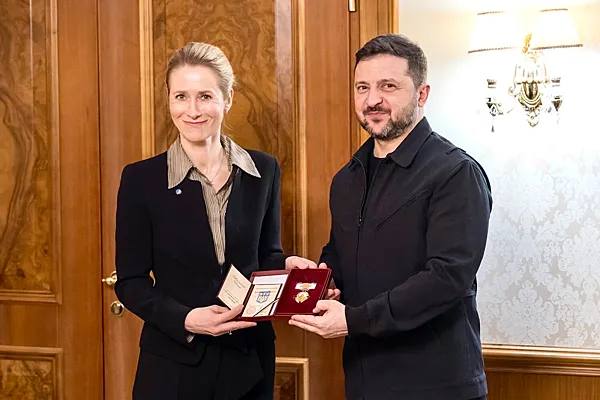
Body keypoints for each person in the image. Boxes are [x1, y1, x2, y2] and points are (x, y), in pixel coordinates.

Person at [289, 34, 492, 400]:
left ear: (422, 94)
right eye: (362, 87)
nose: (372, 100)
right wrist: (321, 278)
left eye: (388, 86)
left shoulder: (456, 173)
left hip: (438, 386)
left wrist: (352, 319)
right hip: (364, 381)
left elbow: (447, 278)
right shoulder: (346, 179)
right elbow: (340, 255)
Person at [115, 42, 314, 400]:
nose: (192, 110)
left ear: (228, 98)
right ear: (169, 100)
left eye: (205, 96)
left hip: (249, 360)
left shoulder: (263, 170)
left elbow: (265, 254)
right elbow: (131, 282)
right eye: (181, 97)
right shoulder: (140, 180)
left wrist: (287, 265)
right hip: (173, 365)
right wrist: (186, 319)